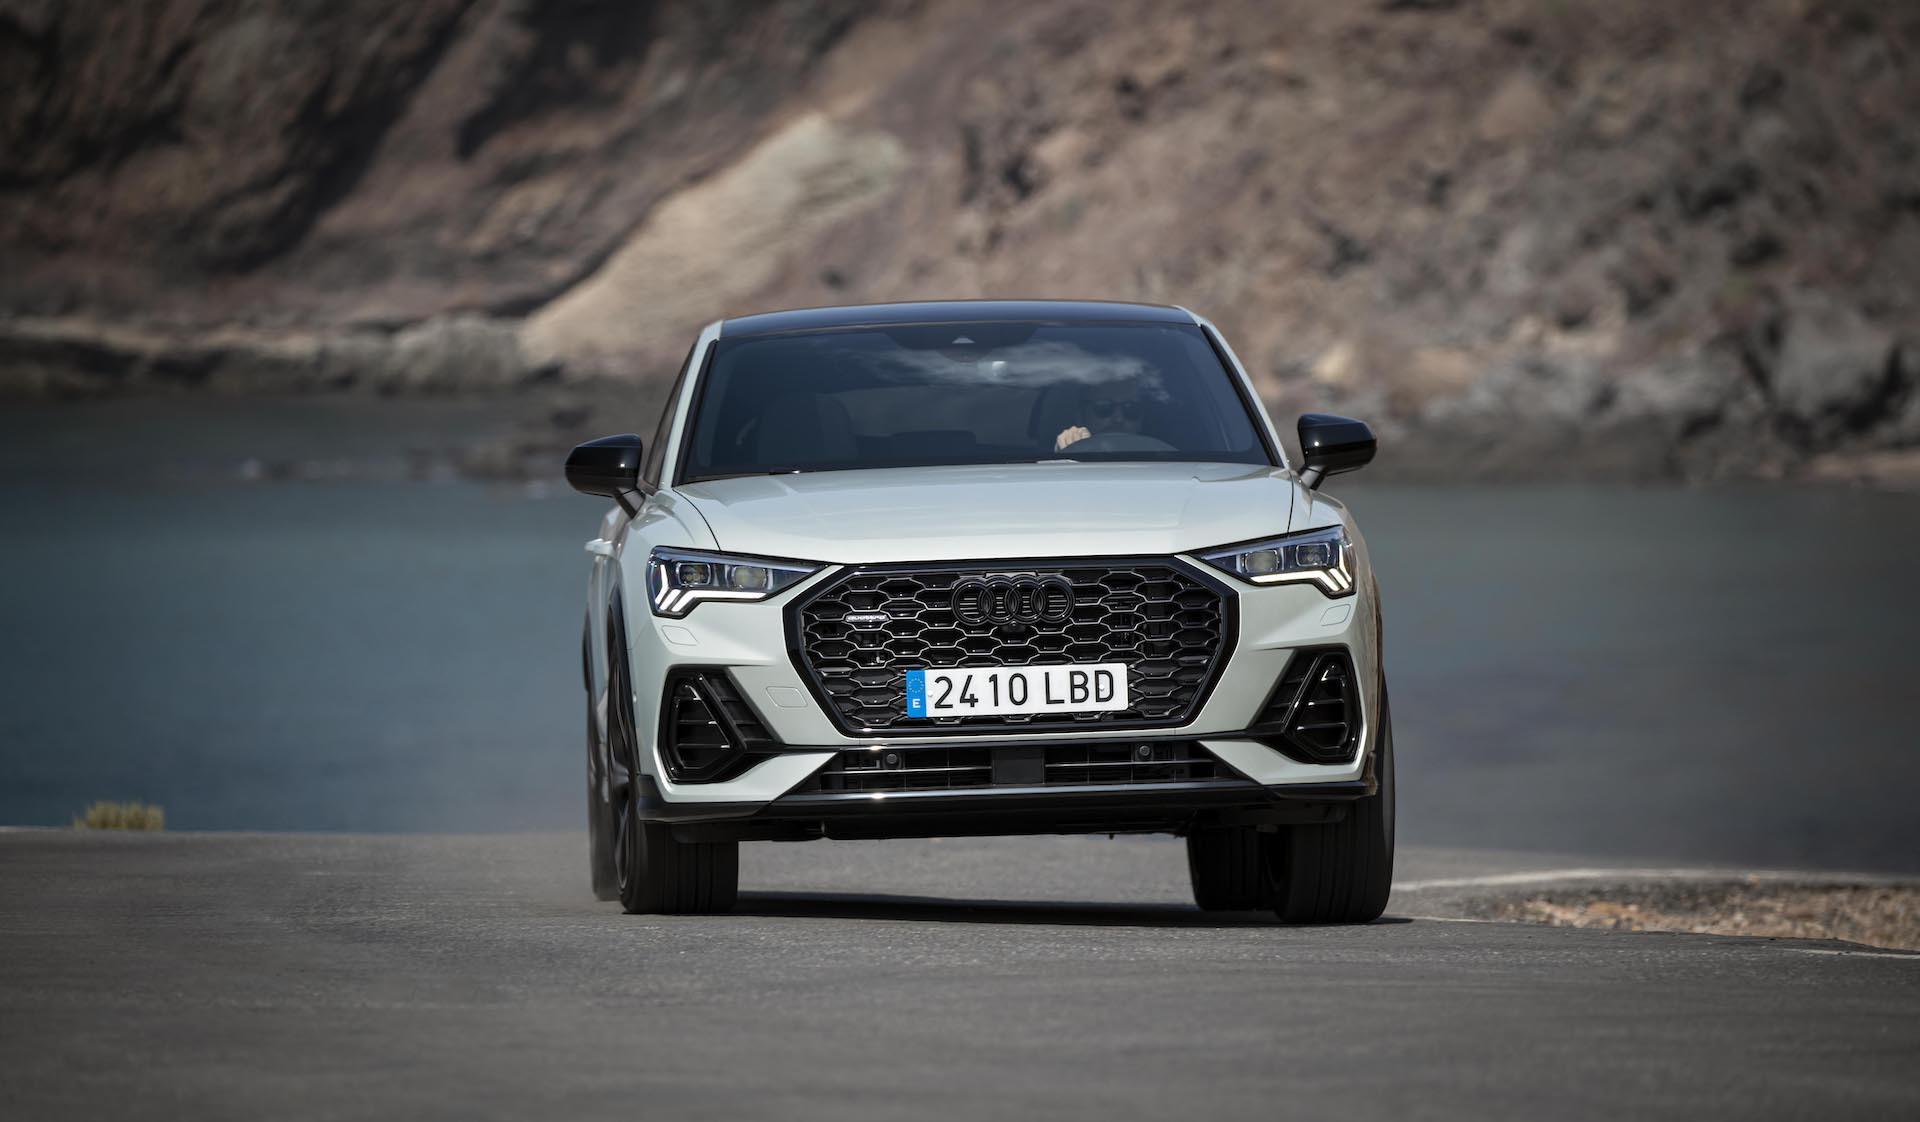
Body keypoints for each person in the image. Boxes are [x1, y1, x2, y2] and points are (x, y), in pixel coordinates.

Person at [1054, 379, 1149, 451]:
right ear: (1080, 416)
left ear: (1142, 418)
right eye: (1104, 407)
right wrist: (1065, 452)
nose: (1118, 419)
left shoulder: (1162, 463)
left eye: (1131, 408)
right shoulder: (1048, 471)